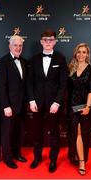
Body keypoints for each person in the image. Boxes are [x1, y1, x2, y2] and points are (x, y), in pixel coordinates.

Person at [27, 29, 68, 173]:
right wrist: (31, 100)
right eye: (45, 39)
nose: (48, 42)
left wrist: (57, 102)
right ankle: (37, 158)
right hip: (37, 104)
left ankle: (53, 160)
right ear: (41, 42)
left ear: (55, 41)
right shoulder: (34, 59)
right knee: (37, 133)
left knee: (55, 134)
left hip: (54, 105)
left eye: (51, 39)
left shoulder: (61, 59)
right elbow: (29, 83)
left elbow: (63, 84)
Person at [0, 35, 27, 169]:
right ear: (10, 46)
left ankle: (17, 153)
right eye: (15, 45)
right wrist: (6, 105)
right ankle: (8, 158)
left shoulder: (24, 61)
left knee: (18, 132)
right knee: (7, 133)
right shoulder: (3, 61)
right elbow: (0, 86)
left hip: (21, 105)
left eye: (20, 46)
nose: (18, 48)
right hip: (8, 106)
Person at [67, 43, 91, 175]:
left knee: (82, 133)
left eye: (84, 52)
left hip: (85, 106)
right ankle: (75, 157)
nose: (81, 54)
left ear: (87, 54)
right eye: (79, 52)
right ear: (75, 53)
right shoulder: (70, 68)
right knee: (74, 133)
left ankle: (82, 161)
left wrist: (88, 106)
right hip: (72, 106)